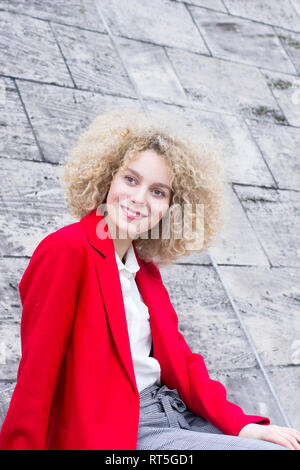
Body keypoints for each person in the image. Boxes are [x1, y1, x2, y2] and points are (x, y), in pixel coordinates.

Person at [0, 107, 299, 450]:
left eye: (158, 191)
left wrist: (243, 426)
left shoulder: (145, 271)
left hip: (177, 414)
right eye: (130, 179)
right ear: (107, 178)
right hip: (126, 433)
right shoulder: (67, 250)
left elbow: (184, 365)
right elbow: (36, 376)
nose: (139, 199)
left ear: (171, 206)